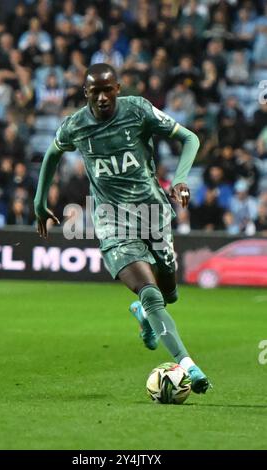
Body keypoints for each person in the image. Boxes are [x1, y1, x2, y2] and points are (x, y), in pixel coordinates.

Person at [34, 63, 210, 394]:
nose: (101, 97)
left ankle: (143, 315)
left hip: (154, 213)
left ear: (118, 88)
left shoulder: (138, 110)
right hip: (113, 222)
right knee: (152, 293)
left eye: (107, 90)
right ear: (86, 93)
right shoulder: (75, 126)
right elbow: (51, 155)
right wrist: (39, 201)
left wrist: (182, 178)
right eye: (94, 91)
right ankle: (188, 365)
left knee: (169, 292)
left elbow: (190, 138)